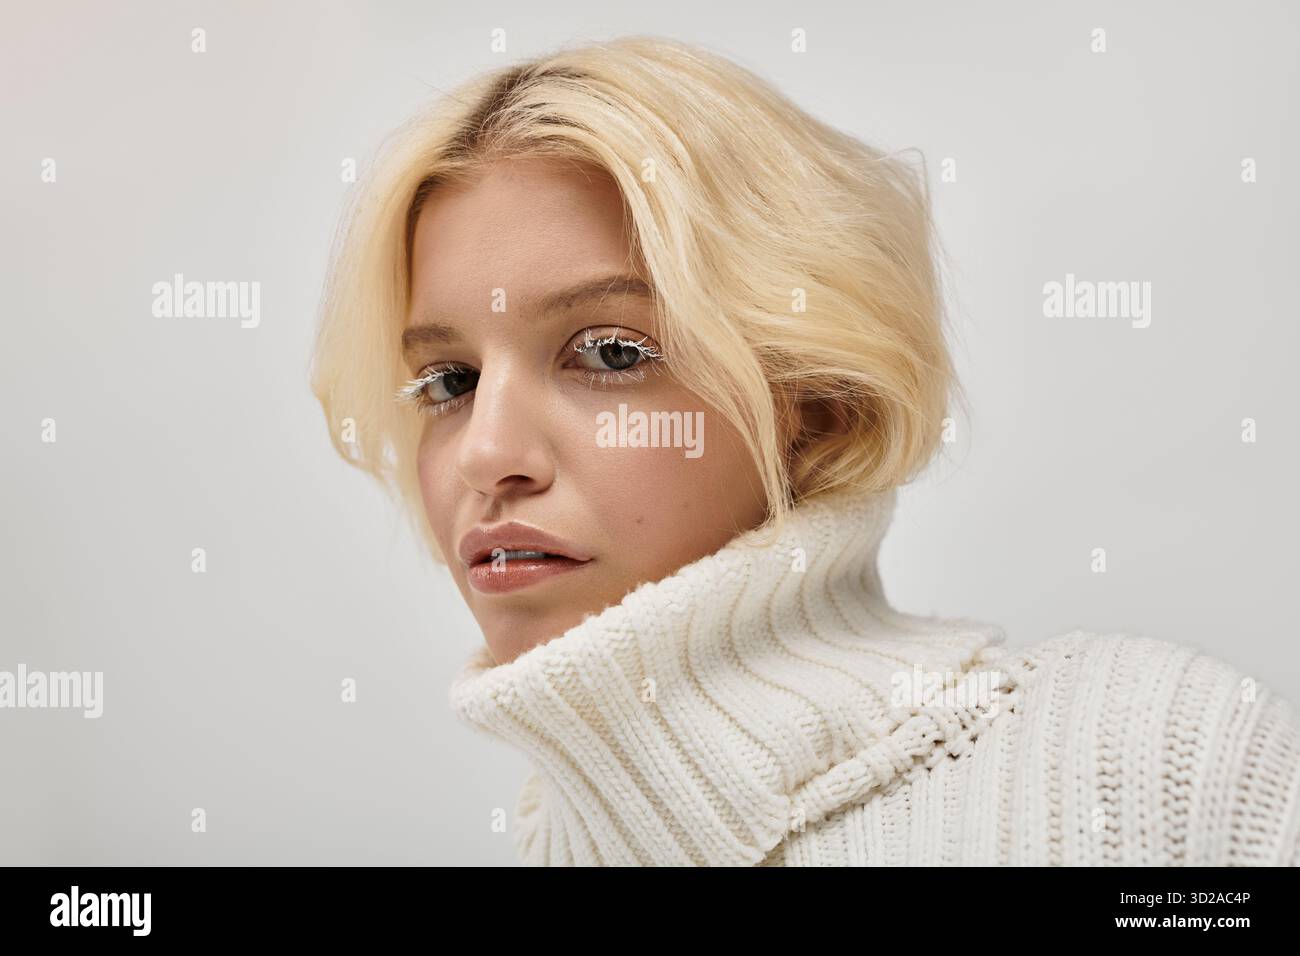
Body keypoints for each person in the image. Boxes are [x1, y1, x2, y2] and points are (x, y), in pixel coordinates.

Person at [310, 36, 1300, 865]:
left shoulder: (1157, 763)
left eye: (610, 351)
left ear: (816, 404)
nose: (487, 453)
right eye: (447, 382)